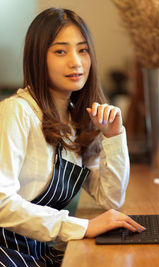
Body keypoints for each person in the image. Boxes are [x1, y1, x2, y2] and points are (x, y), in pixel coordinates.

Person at [0, 8, 145, 266]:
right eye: (60, 51)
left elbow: (110, 198)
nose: (76, 62)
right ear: (37, 58)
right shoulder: (17, 111)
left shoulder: (75, 119)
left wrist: (113, 136)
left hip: (39, 251)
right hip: (7, 251)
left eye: (82, 50)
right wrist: (81, 227)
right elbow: (1, 203)